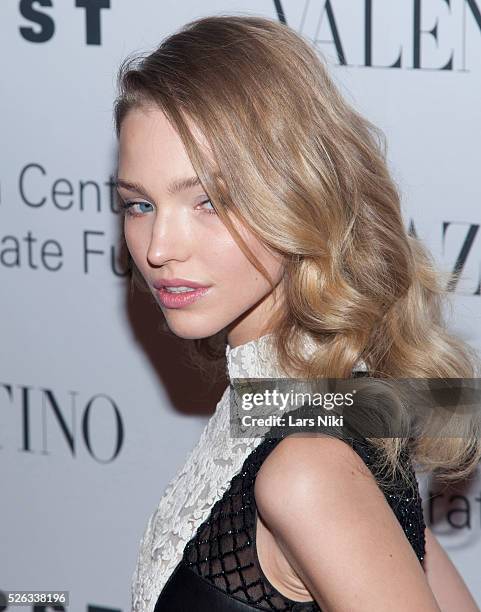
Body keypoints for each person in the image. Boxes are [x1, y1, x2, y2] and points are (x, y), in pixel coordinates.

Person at [112, 14, 481, 612]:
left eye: (208, 201)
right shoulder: (311, 404)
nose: (158, 247)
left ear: (296, 194)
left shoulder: (305, 471)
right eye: (138, 204)